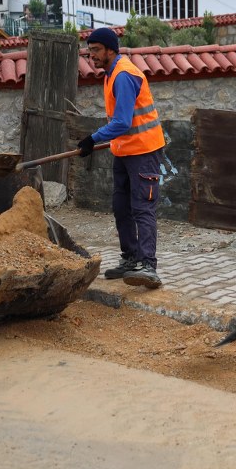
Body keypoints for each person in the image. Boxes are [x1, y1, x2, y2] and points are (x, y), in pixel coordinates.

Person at [77, 27, 166, 289]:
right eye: (89, 50)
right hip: (125, 151)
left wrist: (92, 139)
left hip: (143, 151)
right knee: (121, 207)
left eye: (95, 50)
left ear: (110, 50)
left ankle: (148, 265)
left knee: (142, 208)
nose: (91, 55)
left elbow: (123, 122)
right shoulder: (111, 73)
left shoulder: (124, 75)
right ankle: (130, 258)